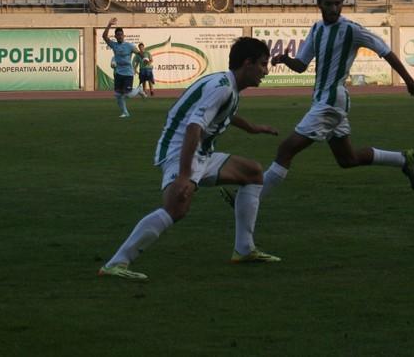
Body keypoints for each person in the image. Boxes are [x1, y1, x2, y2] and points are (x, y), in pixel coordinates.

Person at [98, 37, 279, 281]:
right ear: (247, 63)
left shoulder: (228, 85)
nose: (265, 71)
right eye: (263, 64)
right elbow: (194, 126)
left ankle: (244, 249)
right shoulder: (223, 87)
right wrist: (185, 175)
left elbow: (224, 114)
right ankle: (115, 264)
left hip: (199, 152)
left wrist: (253, 128)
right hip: (181, 150)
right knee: (176, 208)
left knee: (253, 173)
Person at [230, 0, 414, 208]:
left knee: (286, 149)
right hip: (323, 101)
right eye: (329, 4)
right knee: (347, 159)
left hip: (331, 102)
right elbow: (301, 65)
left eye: (338, 4)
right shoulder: (317, 29)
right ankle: (402, 159)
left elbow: (386, 51)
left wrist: (409, 80)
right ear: (319, 4)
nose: (333, 8)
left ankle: (249, 200)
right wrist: (286, 60)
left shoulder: (351, 30)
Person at [101, 17, 141, 117]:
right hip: (119, 73)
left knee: (128, 94)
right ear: (115, 36)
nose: (119, 36)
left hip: (128, 73)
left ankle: (139, 90)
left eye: (121, 35)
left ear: (124, 35)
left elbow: (138, 53)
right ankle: (125, 112)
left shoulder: (129, 46)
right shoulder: (114, 45)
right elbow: (104, 36)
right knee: (118, 95)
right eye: (117, 35)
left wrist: (144, 58)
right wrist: (109, 24)